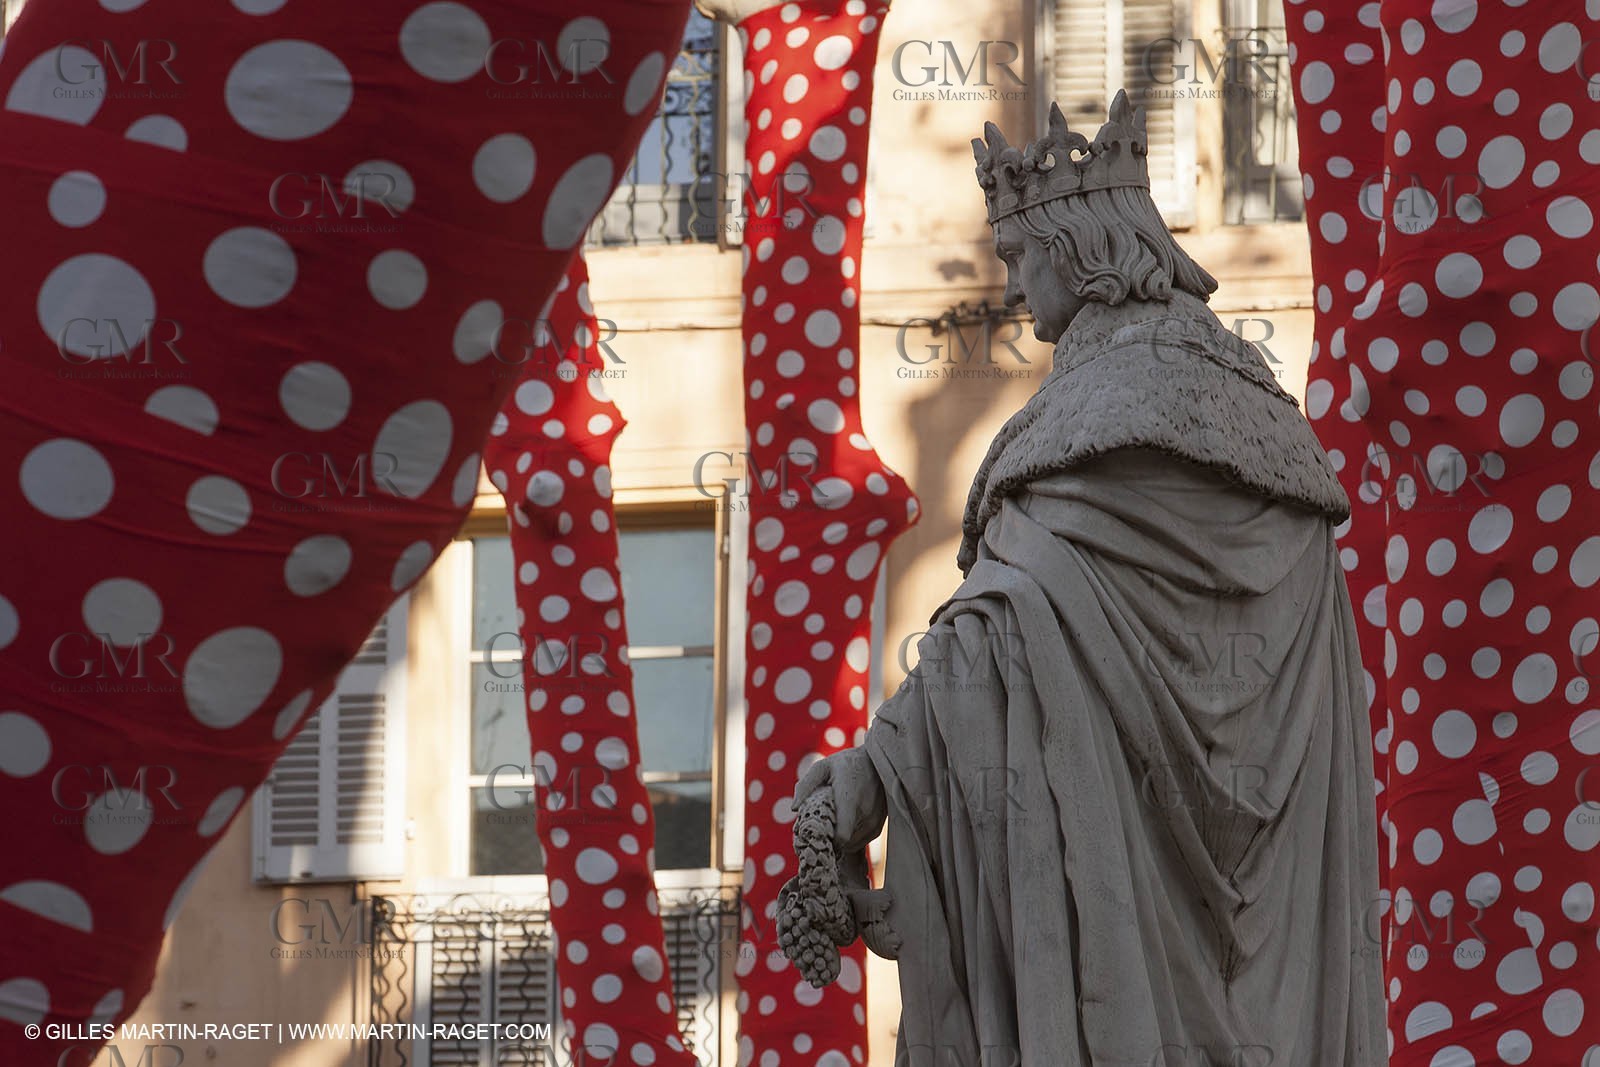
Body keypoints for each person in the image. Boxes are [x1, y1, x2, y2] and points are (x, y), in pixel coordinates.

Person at [782, 94, 1386, 1067]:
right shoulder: (1259, 415)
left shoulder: (1102, 415)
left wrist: (873, 770)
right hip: (1279, 933)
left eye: (1021, 257)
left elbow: (998, 630)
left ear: (1081, 246)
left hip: (1116, 929)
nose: (1014, 285)